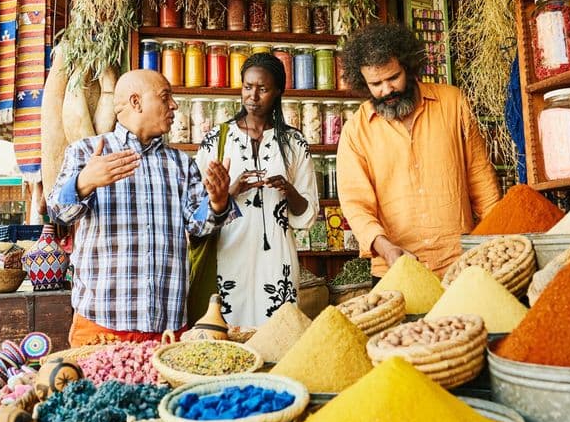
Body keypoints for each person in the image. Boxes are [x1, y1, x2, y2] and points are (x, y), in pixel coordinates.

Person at [47, 69, 236, 347]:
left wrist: (218, 203)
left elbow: (199, 227)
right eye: (165, 97)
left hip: (169, 328)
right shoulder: (87, 152)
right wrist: (83, 182)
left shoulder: (181, 163)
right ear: (136, 102)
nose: (173, 105)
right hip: (102, 326)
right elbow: (57, 213)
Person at [336, 23, 501, 277]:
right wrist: (386, 248)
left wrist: (496, 244)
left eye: (393, 77)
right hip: (395, 269)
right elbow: (356, 205)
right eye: (376, 83)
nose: (386, 89)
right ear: (362, 82)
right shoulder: (355, 132)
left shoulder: (453, 103)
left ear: (409, 67)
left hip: (460, 263)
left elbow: (481, 179)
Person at [194, 53, 319, 327]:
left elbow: (307, 214)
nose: (253, 96)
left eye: (262, 89)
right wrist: (228, 192)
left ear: (277, 92)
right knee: (226, 333)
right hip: (228, 252)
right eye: (247, 87)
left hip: (277, 257)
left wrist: (289, 190)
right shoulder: (217, 139)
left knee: (279, 333)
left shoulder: (294, 142)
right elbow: (194, 210)